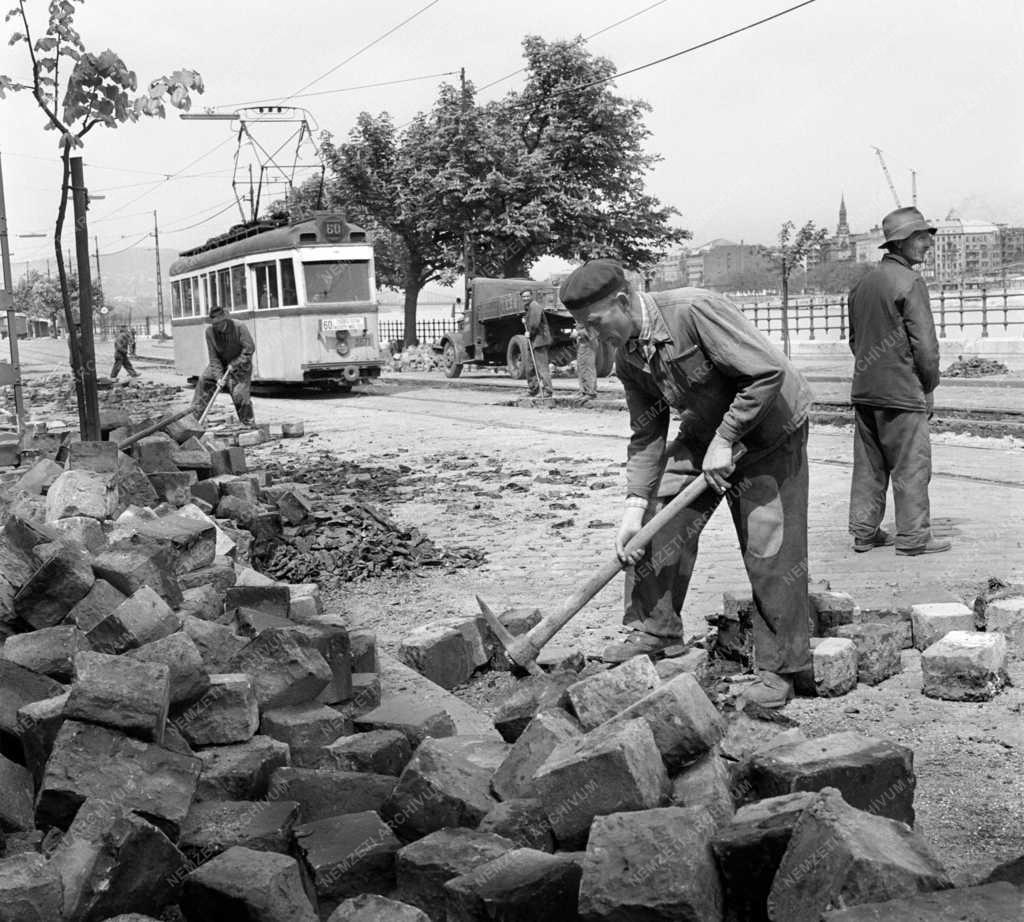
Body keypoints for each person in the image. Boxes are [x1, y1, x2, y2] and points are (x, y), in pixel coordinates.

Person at [560, 258, 813, 708]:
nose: (595, 336)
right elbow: (646, 432)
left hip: (771, 432)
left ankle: (782, 669)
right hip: (707, 433)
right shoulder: (628, 355)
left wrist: (727, 437)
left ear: (621, 301)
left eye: (595, 323)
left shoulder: (694, 311)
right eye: (584, 329)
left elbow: (766, 372)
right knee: (657, 517)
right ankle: (655, 630)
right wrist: (633, 509)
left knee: (768, 543)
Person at [847, 206, 949, 556]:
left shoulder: (862, 284)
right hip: (903, 392)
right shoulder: (911, 282)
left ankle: (864, 532)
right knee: (911, 464)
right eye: (921, 239)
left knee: (869, 466)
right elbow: (926, 347)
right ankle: (914, 537)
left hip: (864, 391)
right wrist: (929, 386)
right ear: (902, 243)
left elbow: (854, 341)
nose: (927, 245)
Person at [190, 305, 256, 425]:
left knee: (239, 393)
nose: (218, 327)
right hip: (221, 363)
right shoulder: (209, 332)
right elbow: (214, 358)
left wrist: (235, 363)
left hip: (241, 365)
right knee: (204, 380)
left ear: (225, 319)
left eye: (220, 324)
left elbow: (249, 349)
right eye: (215, 324)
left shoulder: (239, 327)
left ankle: (248, 424)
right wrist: (219, 377)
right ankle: (194, 420)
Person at [522, 289, 553, 400]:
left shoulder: (534, 306)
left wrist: (529, 332)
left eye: (527, 296)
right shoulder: (529, 307)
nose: (525, 298)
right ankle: (533, 389)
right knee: (530, 367)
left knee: (541, 367)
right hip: (534, 341)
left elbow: (534, 323)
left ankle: (548, 391)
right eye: (523, 297)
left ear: (531, 296)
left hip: (539, 340)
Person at [573, 320, 599, 406]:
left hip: (588, 343)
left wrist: (579, 333)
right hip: (583, 342)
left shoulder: (586, 313)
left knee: (587, 367)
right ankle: (584, 390)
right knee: (581, 367)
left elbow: (592, 330)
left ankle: (590, 392)